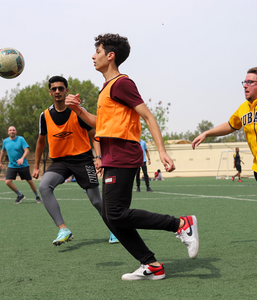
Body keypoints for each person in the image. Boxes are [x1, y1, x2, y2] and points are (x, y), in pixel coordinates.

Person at [65, 33, 199, 280]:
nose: (93, 56)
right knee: (110, 215)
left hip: (124, 153)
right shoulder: (106, 89)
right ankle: (151, 265)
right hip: (112, 155)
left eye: (98, 51)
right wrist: (78, 110)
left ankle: (181, 224)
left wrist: (161, 151)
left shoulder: (122, 84)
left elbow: (148, 116)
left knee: (114, 213)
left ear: (110, 55)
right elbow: (101, 124)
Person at [192, 67, 257, 256]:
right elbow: (231, 125)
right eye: (244, 82)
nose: (245, 86)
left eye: (250, 82)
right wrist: (207, 133)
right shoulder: (244, 108)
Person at [32, 76, 118, 246]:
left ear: (66, 91)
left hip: (83, 160)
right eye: (54, 89)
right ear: (50, 92)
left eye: (61, 88)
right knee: (44, 186)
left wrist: (98, 157)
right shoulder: (45, 115)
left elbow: (95, 134)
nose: (57, 91)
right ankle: (63, 229)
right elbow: (41, 141)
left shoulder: (77, 111)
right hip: (60, 162)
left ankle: (115, 228)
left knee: (96, 200)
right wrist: (35, 166)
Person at [0, 126, 41, 204]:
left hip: (23, 165)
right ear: (8, 132)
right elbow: (2, 151)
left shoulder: (21, 139)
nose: (12, 131)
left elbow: (27, 150)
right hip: (12, 166)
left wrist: (22, 159)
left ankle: (37, 196)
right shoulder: (5, 141)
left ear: (16, 132)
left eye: (13, 130)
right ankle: (20, 195)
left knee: (30, 181)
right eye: (10, 130)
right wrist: (0, 162)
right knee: (7, 182)